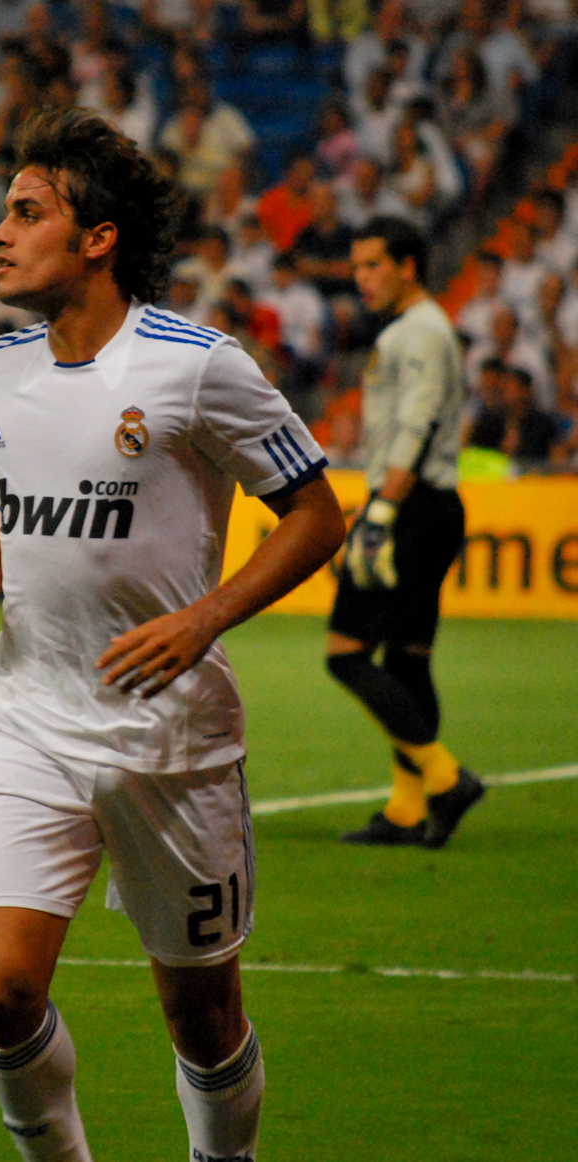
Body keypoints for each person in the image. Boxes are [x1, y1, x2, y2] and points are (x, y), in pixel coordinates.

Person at [0, 108, 345, 1162]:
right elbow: (15, 490)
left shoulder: (196, 367)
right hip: (29, 717)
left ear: (97, 238)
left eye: (28, 212)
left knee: (203, 1018)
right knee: (1, 991)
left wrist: (203, 618)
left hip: (169, 740)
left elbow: (315, 514)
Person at [326, 216, 485, 849]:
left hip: (410, 504)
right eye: (356, 266)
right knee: (407, 659)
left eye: (372, 265)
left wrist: (382, 510)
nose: (360, 278)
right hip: (431, 505)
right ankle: (407, 809)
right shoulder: (422, 329)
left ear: (407, 266)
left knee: (345, 652)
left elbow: (417, 424)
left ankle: (446, 779)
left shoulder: (416, 332)